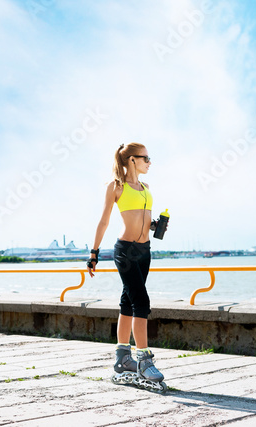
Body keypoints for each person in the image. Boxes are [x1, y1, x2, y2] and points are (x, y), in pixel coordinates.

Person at [86, 142, 164, 384]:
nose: (150, 162)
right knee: (141, 301)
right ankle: (144, 360)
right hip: (126, 251)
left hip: (145, 250)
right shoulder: (116, 187)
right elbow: (104, 221)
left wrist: (156, 226)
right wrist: (94, 253)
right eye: (146, 158)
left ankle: (122, 358)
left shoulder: (146, 187)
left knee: (128, 301)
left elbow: (144, 220)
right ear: (132, 160)